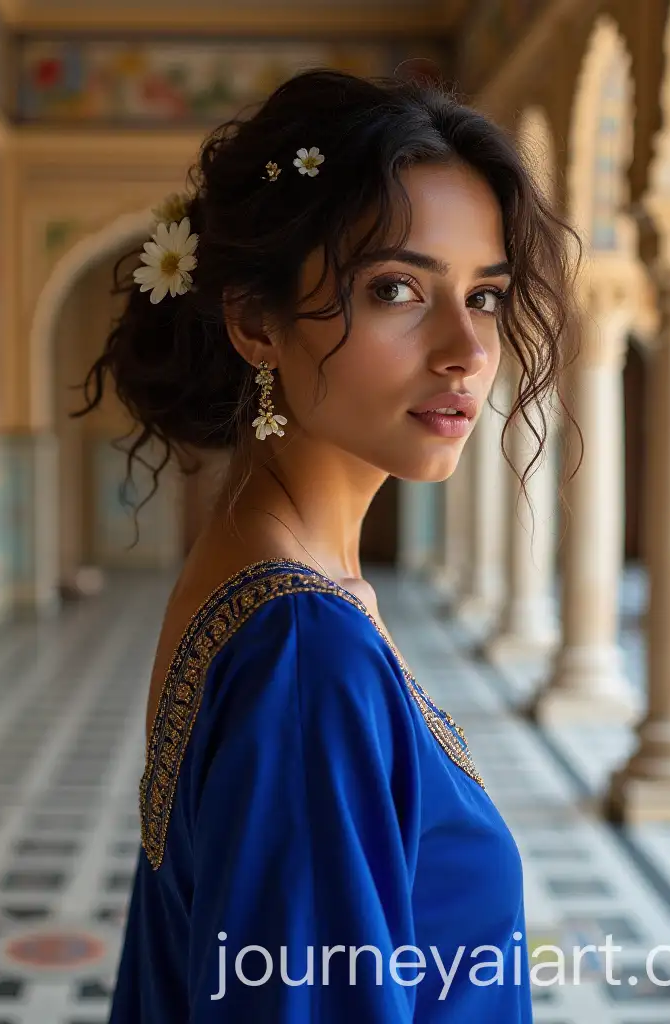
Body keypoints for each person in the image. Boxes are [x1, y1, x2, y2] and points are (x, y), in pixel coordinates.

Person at [81, 67, 577, 1022]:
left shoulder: (272, 573)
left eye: (484, 295)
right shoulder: (306, 653)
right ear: (256, 322)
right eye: (397, 288)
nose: (468, 352)